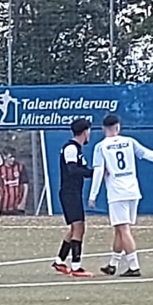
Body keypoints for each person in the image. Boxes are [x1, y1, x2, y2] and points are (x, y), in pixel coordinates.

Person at [88, 114, 153, 277]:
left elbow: (98, 171)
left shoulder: (101, 147)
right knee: (119, 228)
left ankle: (134, 266)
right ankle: (113, 264)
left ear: (104, 128)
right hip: (132, 190)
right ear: (118, 127)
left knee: (123, 229)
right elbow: (149, 154)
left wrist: (93, 195)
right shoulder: (129, 142)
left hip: (117, 192)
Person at [53, 118, 95, 277]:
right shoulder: (71, 148)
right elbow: (72, 170)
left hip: (74, 192)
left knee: (74, 228)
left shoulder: (77, 149)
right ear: (85, 132)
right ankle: (76, 267)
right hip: (69, 193)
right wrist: (94, 172)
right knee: (79, 228)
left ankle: (59, 261)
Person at [0, 147, 30, 216]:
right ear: (4, 157)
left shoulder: (20, 168)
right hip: (4, 207)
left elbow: (25, 186)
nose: (13, 159)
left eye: (14, 157)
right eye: (10, 157)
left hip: (18, 206)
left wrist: (23, 201)